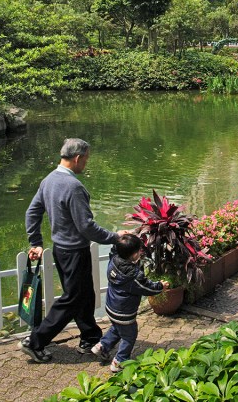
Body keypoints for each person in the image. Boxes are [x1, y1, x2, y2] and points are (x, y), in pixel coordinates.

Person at [21, 138, 121, 364]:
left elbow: (32, 213)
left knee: (84, 295)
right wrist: (115, 237)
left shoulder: (48, 180)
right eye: (85, 160)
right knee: (72, 299)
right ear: (77, 158)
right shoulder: (74, 187)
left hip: (61, 250)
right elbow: (86, 226)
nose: (86, 164)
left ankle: (90, 337)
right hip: (75, 252)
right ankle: (35, 342)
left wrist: (35, 241)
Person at [91, 234, 167, 373]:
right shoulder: (132, 275)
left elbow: (115, 249)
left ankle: (102, 346)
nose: (140, 253)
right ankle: (119, 361)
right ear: (134, 254)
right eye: (138, 251)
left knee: (117, 328)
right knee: (129, 335)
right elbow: (146, 287)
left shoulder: (114, 260)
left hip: (111, 306)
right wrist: (160, 286)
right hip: (124, 311)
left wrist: (121, 240)